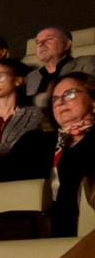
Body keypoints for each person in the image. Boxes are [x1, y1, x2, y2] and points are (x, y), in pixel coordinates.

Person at [50, 71, 95, 235]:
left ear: (93, 101)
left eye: (69, 94)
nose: (60, 102)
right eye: (54, 99)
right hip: (38, 233)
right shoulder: (35, 141)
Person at [27, 26, 95, 108]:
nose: (41, 44)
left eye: (49, 39)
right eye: (38, 42)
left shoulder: (86, 63)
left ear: (67, 44)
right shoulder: (32, 77)